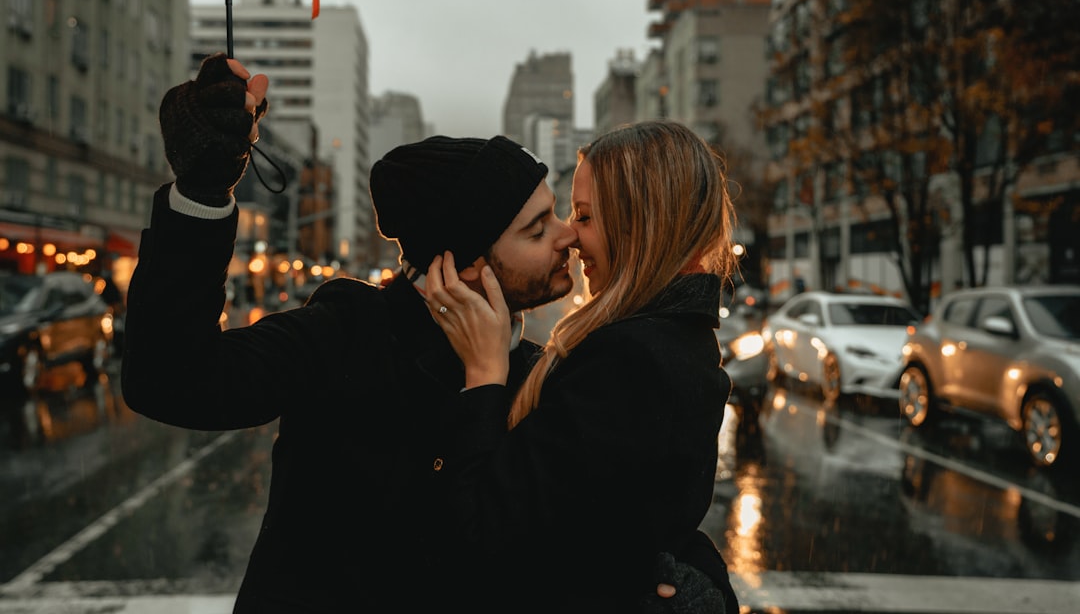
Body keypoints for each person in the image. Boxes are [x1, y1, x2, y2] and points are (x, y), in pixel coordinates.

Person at [121, 54, 717, 612]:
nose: (566, 236)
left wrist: (697, 577)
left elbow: (616, 512)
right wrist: (201, 194)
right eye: (538, 229)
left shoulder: (547, 372)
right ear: (467, 266)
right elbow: (171, 379)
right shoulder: (348, 334)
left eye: (564, 214)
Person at [424, 120, 741, 613]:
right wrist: (703, 576)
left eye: (586, 217)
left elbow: (480, 534)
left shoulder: (632, 361)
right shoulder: (676, 339)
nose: (570, 235)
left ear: (641, 225)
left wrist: (484, 377)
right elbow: (642, 521)